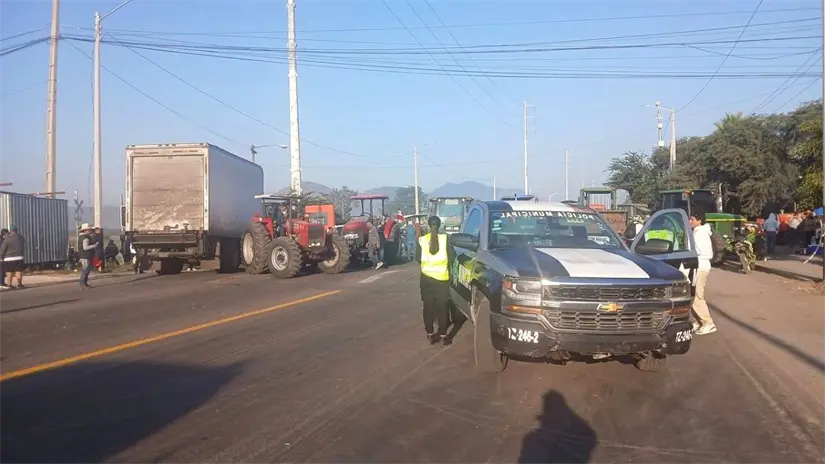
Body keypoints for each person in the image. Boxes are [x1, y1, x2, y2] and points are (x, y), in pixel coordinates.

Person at [415, 215, 454, 345]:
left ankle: (430, 334)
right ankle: (443, 335)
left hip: (426, 279)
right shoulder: (445, 239)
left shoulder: (422, 240)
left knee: (428, 307)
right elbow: (452, 257)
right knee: (442, 308)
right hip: (442, 279)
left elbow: (418, 258)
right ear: (439, 225)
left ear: (428, 225)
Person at [689, 211, 717, 335]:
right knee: (693, 295)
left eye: (692, 219)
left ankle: (707, 323)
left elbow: (699, 251)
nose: (690, 221)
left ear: (700, 221)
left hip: (700, 266)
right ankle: (697, 322)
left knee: (697, 296)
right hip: (698, 266)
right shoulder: (699, 232)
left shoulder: (700, 233)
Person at [77, 224, 98, 288]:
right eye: (89, 230)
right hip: (86, 256)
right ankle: (83, 284)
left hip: (84, 256)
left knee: (86, 270)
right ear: (86, 230)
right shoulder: (85, 238)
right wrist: (94, 245)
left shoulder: (81, 237)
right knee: (86, 270)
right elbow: (85, 247)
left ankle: (84, 283)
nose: (90, 231)